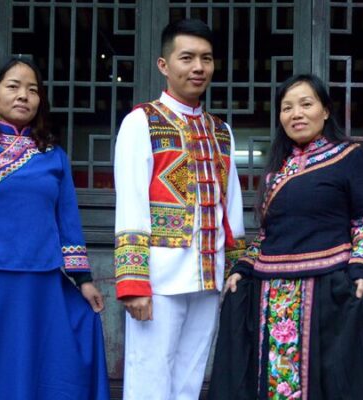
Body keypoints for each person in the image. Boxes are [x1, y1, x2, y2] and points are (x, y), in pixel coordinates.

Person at [0, 57, 109, 399]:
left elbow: (68, 222)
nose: (23, 96)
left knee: (47, 360)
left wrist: (84, 280)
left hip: (40, 283)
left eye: (32, 90)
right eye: (13, 87)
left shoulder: (54, 156)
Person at [208, 74, 363, 400]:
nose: (297, 114)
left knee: (332, 382)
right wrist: (243, 268)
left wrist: (362, 268)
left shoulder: (351, 156)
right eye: (287, 108)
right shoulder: (277, 169)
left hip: (327, 289)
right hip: (271, 291)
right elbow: (268, 233)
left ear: (325, 111)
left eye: (306, 104)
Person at [113, 18, 246, 400]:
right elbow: (132, 202)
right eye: (187, 58)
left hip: (208, 274)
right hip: (158, 278)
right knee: (149, 378)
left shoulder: (221, 130)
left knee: (190, 380)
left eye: (206, 58)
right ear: (164, 64)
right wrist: (133, 281)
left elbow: (231, 205)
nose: (198, 67)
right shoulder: (142, 121)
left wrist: (235, 269)